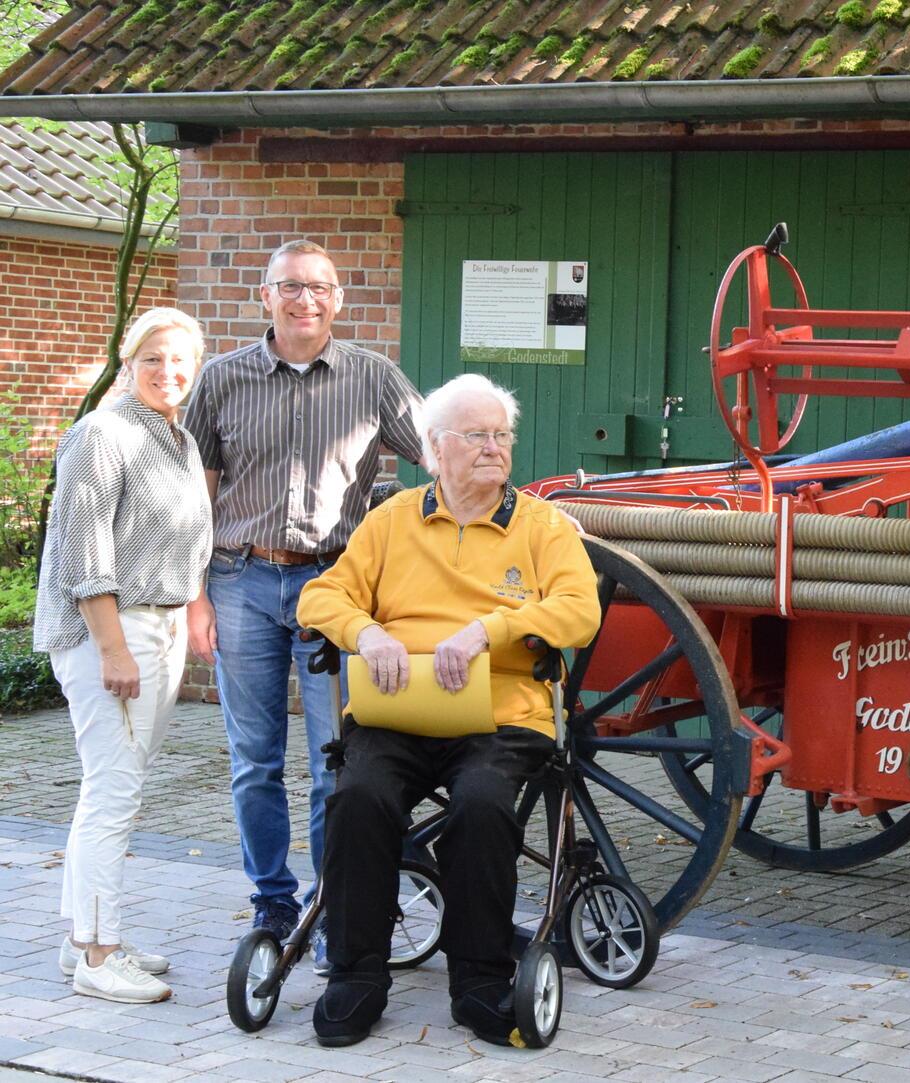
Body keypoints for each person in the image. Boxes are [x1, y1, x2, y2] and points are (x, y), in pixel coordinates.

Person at [296, 374, 598, 1047]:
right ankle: (356, 977)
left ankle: (481, 980)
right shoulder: (392, 519)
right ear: (433, 447)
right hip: (399, 711)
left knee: (483, 803)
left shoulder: (542, 525)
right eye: (476, 435)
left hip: (502, 717)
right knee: (358, 796)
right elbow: (320, 598)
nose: (494, 448)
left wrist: (489, 629)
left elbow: (581, 610)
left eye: (501, 435)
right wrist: (366, 633)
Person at [183, 239, 425, 960]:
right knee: (254, 758)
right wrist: (194, 596)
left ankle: (333, 906)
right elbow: (194, 497)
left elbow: (437, 455)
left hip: (337, 588)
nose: (305, 300)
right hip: (241, 581)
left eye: (319, 287)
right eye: (289, 286)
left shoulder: (374, 376)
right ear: (266, 296)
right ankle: (272, 903)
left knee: (336, 762)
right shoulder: (222, 380)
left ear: (338, 299)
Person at [33, 308, 212, 1004]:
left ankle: (83, 933)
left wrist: (188, 611)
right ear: (126, 359)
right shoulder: (101, 435)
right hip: (112, 633)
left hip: (156, 629)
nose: (168, 371)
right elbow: (85, 555)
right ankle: (100, 957)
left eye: (180, 360)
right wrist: (112, 646)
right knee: (113, 792)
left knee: (111, 788)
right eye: (153, 358)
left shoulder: (176, 437)